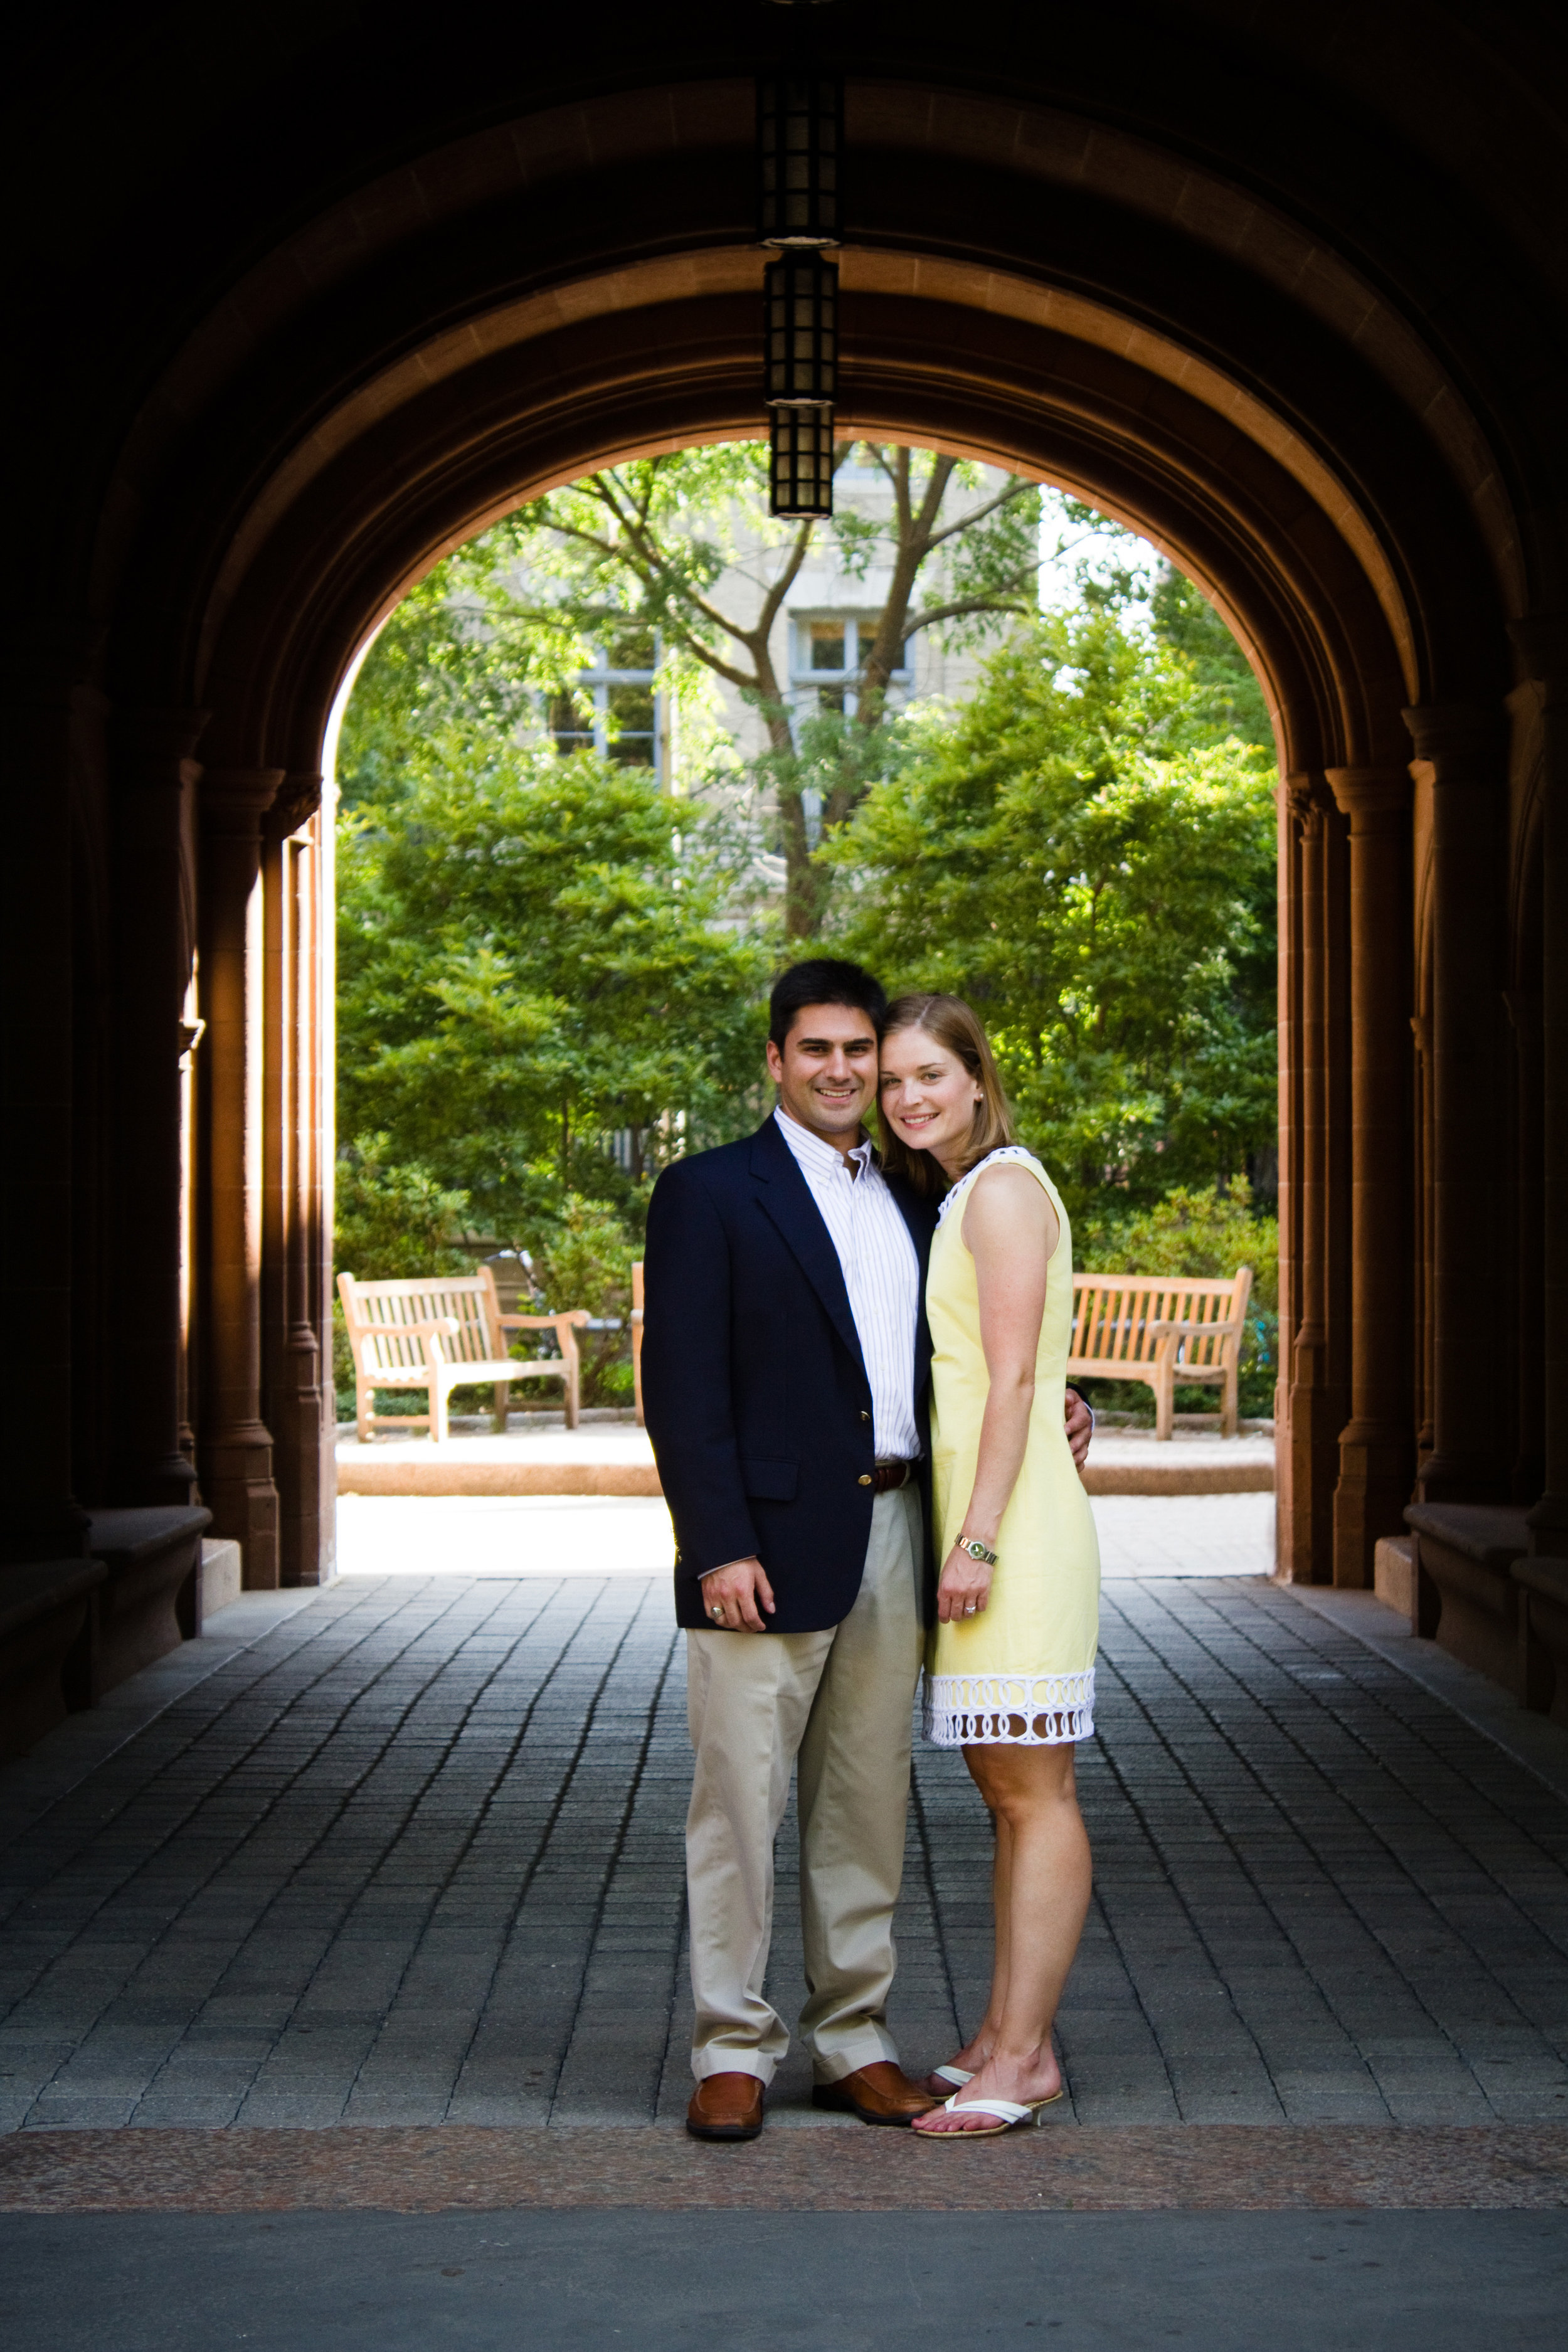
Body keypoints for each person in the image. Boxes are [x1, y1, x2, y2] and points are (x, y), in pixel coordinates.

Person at [641, 960, 1093, 2143]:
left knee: (865, 1802)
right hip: (765, 1548)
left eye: (869, 1057)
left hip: (902, 1525)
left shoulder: (919, 1190)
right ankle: (732, 2046)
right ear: (777, 1061)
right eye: (824, 1052)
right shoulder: (709, 1192)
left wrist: (1059, 1396)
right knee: (737, 1801)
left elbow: (977, 1340)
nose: (849, 1074)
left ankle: (853, 2038)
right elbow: (680, 1389)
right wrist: (717, 1546)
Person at [874, 993, 1101, 2141]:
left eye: (930, 1075)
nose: (909, 1097)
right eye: (893, 1080)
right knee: (1007, 1797)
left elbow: (1014, 1382)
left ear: (975, 1076)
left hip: (1009, 1530)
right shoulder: (960, 1189)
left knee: (1034, 1792)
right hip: (991, 1514)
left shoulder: (1004, 1189)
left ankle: (1023, 2051)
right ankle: (1018, 2033)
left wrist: (978, 1538)